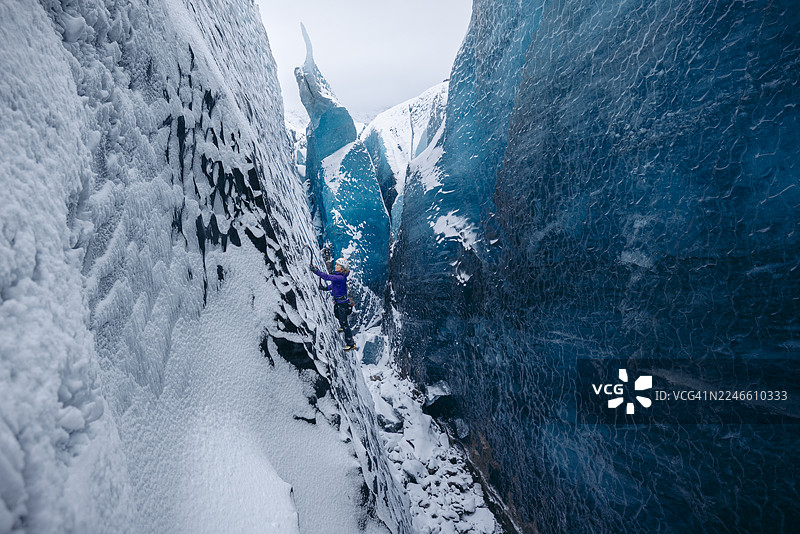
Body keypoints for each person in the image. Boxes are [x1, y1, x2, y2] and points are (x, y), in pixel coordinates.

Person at [310, 257, 356, 350]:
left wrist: (316, 271)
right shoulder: (339, 278)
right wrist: (325, 288)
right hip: (340, 303)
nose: (335, 266)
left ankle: (351, 344)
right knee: (337, 315)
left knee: (344, 323)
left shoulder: (340, 278)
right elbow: (333, 285)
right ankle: (342, 326)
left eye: (338, 265)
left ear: (342, 268)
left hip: (342, 304)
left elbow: (327, 277)